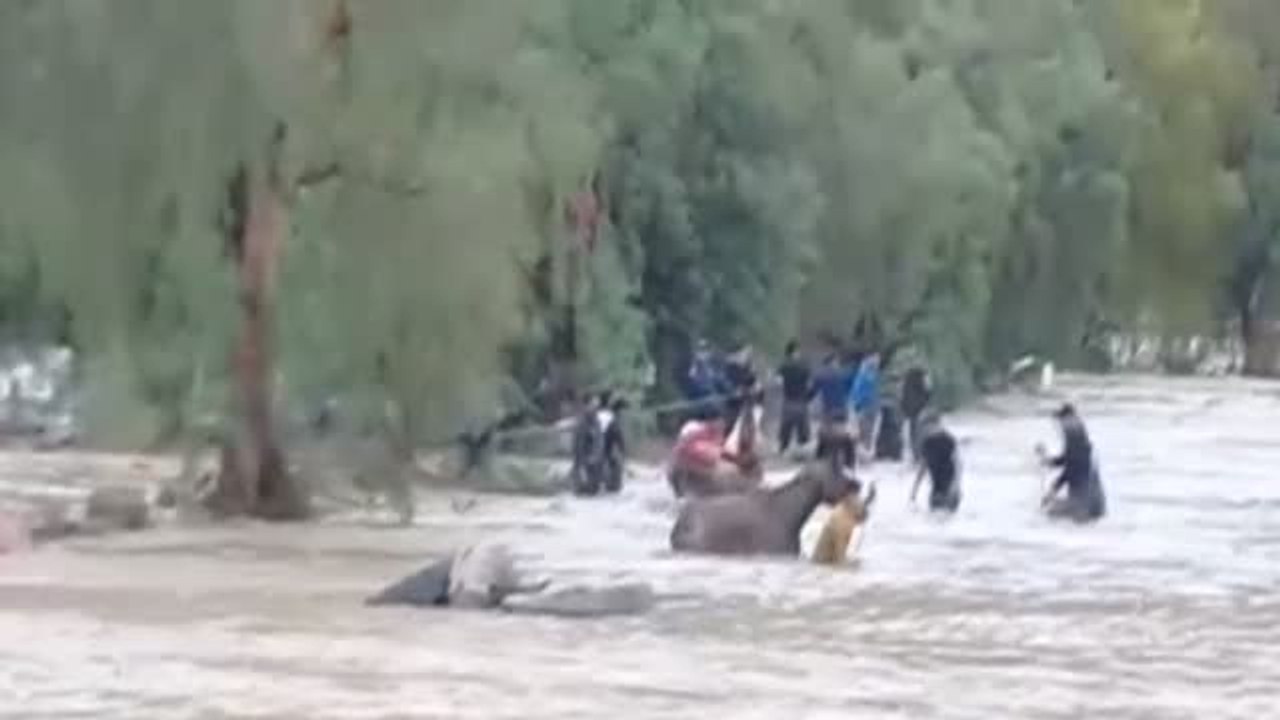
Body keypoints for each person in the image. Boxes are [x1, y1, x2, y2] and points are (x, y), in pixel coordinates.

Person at [1037, 403, 1106, 522]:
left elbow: (1070, 471)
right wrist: (1048, 461)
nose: (1060, 426)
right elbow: (1069, 461)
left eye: (1061, 422)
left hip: (1083, 504)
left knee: (1049, 513)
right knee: (1051, 509)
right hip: (1095, 503)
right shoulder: (1081, 440)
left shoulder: (1074, 436)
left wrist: (1051, 492)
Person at [909, 411, 961, 513]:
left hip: (947, 490)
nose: (922, 429)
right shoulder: (929, 442)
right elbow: (923, 468)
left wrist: (955, 487)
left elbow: (958, 465)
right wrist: (914, 491)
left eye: (923, 426)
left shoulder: (947, 440)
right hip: (940, 490)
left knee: (938, 514)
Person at [813, 352, 856, 470]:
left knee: (824, 436)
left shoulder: (820, 375)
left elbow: (812, 392)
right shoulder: (843, 374)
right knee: (845, 436)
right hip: (842, 411)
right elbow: (850, 388)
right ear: (834, 362)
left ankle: (819, 460)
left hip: (828, 411)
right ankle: (850, 463)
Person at [776, 341, 813, 454]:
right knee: (802, 425)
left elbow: (778, 382)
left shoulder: (783, 366)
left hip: (788, 399)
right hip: (801, 399)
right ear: (795, 351)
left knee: (786, 425)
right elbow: (809, 383)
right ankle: (801, 447)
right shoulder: (804, 366)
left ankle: (783, 447)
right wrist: (808, 396)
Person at [684, 340, 726, 422]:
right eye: (702, 350)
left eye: (706, 349)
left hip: (713, 394)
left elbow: (719, 378)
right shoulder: (696, 365)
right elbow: (693, 378)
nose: (705, 353)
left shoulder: (712, 364)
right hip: (701, 397)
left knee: (721, 406)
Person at [850, 353, 882, 452]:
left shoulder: (863, 375)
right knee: (868, 430)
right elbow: (860, 391)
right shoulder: (871, 375)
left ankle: (864, 450)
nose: (877, 363)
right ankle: (865, 449)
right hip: (869, 405)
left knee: (865, 429)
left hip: (866, 405)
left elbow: (856, 391)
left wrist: (855, 404)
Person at [722, 344, 758, 431]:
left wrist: (752, 373)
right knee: (731, 423)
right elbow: (731, 381)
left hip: (742, 400)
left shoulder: (745, 366)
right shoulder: (731, 366)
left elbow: (750, 381)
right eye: (745, 354)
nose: (746, 356)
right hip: (732, 400)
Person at [901, 364, 931, 463]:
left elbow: (903, 397)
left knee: (913, 433)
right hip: (920, 409)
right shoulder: (923, 378)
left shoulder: (907, 380)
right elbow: (928, 392)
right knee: (920, 433)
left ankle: (915, 455)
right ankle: (920, 455)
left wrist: (905, 410)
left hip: (910, 410)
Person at [599, 394, 627, 494]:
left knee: (610, 461)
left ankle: (608, 482)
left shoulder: (602, 414)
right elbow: (618, 436)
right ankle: (612, 484)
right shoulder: (612, 418)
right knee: (613, 462)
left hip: (601, 442)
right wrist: (622, 449)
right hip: (604, 442)